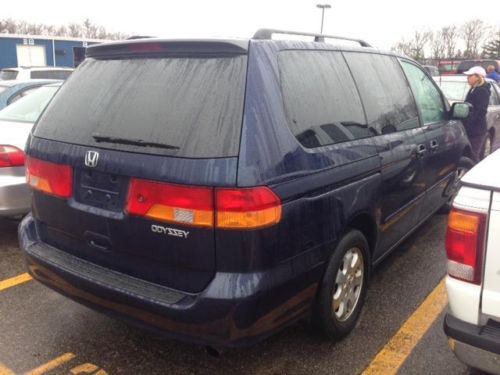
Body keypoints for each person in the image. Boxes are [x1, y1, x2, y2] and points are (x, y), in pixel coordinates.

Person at [463, 66, 491, 162]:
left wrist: (470, 123)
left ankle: (473, 175)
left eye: (470, 76)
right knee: (469, 155)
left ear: (478, 77)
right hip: (470, 129)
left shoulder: (482, 91)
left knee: (473, 156)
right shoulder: (473, 89)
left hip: (476, 130)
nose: (467, 78)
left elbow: (481, 112)